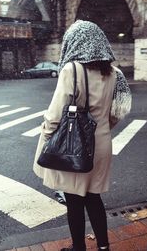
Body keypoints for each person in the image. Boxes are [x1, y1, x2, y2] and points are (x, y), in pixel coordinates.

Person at [33, 20, 132, 251]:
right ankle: (104, 247)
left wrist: (47, 138)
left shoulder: (71, 70)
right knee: (94, 197)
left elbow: (55, 114)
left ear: (74, 42)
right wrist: (105, 126)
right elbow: (123, 107)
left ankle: (79, 247)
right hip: (102, 143)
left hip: (75, 143)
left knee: (75, 201)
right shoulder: (114, 73)